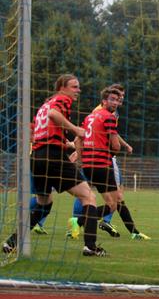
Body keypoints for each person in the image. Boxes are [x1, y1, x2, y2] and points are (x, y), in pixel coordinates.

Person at [2, 74, 106, 257]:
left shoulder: (44, 105)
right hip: (53, 157)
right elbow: (54, 115)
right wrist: (76, 130)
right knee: (88, 197)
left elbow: (47, 130)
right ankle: (91, 246)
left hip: (37, 157)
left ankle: (11, 243)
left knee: (44, 203)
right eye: (74, 86)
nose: (78, 90)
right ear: (62, 87)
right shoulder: (61, 100)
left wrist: (71, 144)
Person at [70, 87, 150, 243]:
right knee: (113, 204)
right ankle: (79, 222)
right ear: (104, 101)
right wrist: (116, 148)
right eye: (112, 99)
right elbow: (115, 146)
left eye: (118, 99)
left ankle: (132, 231)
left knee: (98, 198)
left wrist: (80, 156)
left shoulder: (90, 117)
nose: (116, 102)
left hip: (88, 164)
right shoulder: (109, 117)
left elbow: (78, 139)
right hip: (102, 164)